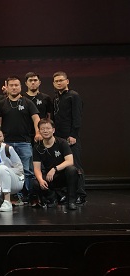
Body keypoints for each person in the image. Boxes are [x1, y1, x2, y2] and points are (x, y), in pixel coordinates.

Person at [0, 76, 40, 203]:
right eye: (11, 85)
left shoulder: (27, 102)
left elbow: (36, 118)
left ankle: (27, 196)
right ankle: (11, 196)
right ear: (7, 87)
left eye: (16, 85)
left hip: (24, 142)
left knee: (26, 171)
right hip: (6, 143)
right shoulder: (2, 103)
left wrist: (38, 132)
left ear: (20, 87)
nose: (14, 88)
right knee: (6, 170)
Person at [52, 71, 86, 205]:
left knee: (76, 166)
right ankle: (67, 194)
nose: (59, 83)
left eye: (61, 80)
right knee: (63, 167)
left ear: (67, 81)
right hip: (59, 137)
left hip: (71, 137)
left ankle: (80, 194)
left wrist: (73, 135)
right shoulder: (56, 98)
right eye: (56, 81)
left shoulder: (74, 96)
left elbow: (77, 117)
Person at [32, 119, 79, 210]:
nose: (45, 131)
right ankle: (52, 198)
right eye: (42, 129)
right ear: (39, 131)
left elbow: (70, 161)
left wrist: (55, 169)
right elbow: (37, 168)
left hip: (62, 174)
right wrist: (41, 180)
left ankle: (71, 201)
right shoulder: (37, 147)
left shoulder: (62, 142)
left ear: (53, 130)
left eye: (48, 128)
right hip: (50, 177)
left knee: (72, 170)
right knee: (36, 182)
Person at [0, 126, 24, 212]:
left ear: (3, 137)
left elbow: (20, 169)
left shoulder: (8, 149)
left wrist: (2, 174)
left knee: (2, 168)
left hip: (15, 180)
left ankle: (7, 201)